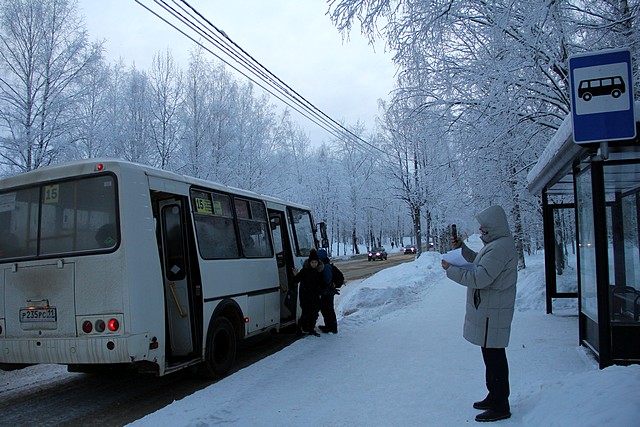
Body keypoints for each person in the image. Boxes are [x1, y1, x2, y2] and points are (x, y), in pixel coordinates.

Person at [441, 205, 517, 423]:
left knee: (495, 359)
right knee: (491, 357)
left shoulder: (499, 248)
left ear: (493, 225)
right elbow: (479, 262)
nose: (481, 230)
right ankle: (494, 396)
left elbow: (480, 277)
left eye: (484, 227)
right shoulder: (496, 245)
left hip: (493, 312)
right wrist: (462, 249)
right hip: (490, 311)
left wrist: (451, 269)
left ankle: (500, 404)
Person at [292, 248, 324, 336]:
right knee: (306, 313)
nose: (314, 264)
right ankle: (303, 328)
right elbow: (296, 280)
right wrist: (295, 275)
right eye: (312, 262)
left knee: (314, 313)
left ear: (318, 263)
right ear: (309, 262)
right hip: (305, 296)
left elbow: (321, 283)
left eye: (315, 262)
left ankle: (311, 328)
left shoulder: (319, 272)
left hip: (315, 296)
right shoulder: (304, 271)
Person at [317, 248, 343, 334]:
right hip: (329, 292)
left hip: (326, 292)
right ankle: (330, 326)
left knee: (327, 310)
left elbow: (327, 281)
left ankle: (330, 327)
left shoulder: (325, 266)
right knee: (328, 310)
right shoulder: (328, 265)